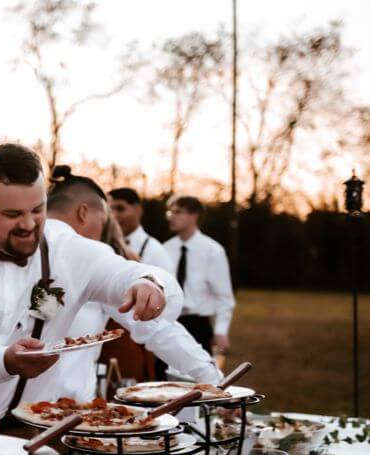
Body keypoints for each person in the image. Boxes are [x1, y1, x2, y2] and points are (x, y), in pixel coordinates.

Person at [0, 143, 179, 428]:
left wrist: (150, 283)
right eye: (12, 214)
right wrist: (5, 361)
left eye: (37, 210)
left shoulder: (66, 249)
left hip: (29, 432)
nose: (29, 224)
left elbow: (133, 272)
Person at [37, 172, 220, 402]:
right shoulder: (89, 258)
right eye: (103, 221)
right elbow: (156, 328)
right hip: (61, 415)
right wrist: (210, 376)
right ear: (83, 212)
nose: (102, 233)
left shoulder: (13, 246)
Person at [163, 195, 235, 355]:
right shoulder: (166, 248)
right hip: (168, 322)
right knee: (164, 375)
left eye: (177, 212)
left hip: (197, 325)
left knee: (197, 379)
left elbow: (224, 297)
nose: (171, 217)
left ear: (193, 216)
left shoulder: (212, 251)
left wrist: (221, 331)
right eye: (169, 213)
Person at [109, 187, 170, 269]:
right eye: (109, 210)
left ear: (138, 210)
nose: (113, 215)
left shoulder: (155, 251)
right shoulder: (104, 245)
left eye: (120, 209)